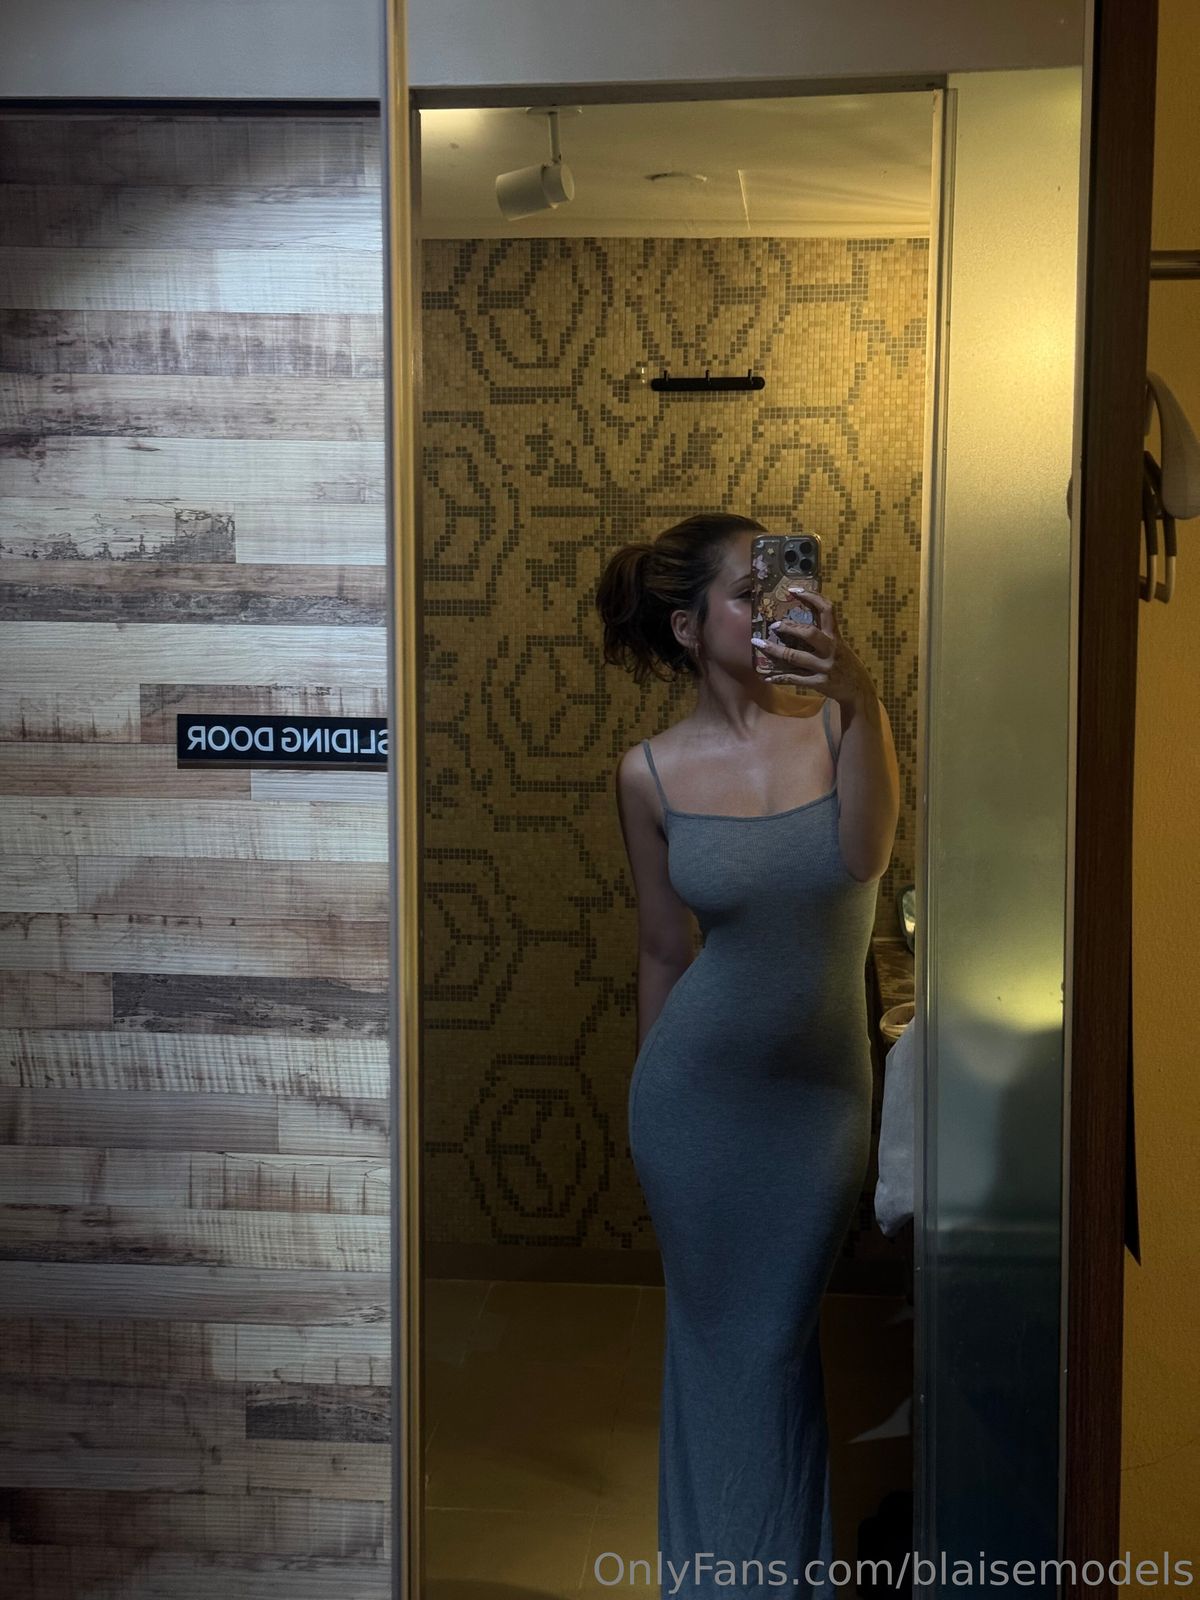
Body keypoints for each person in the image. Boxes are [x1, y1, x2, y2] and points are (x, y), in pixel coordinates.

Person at [594, 511, 900, 1599]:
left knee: (771, 1351)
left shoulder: (840, 727)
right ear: (689, 628)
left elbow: (865, 858)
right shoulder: (648, 774)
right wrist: (647, 1111)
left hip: (816, 1111)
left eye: (782, 583)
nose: (774, 607)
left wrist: (859, 690)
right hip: (694, 1112)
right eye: (746, 591)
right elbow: (662, 952)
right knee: (722, 1354)